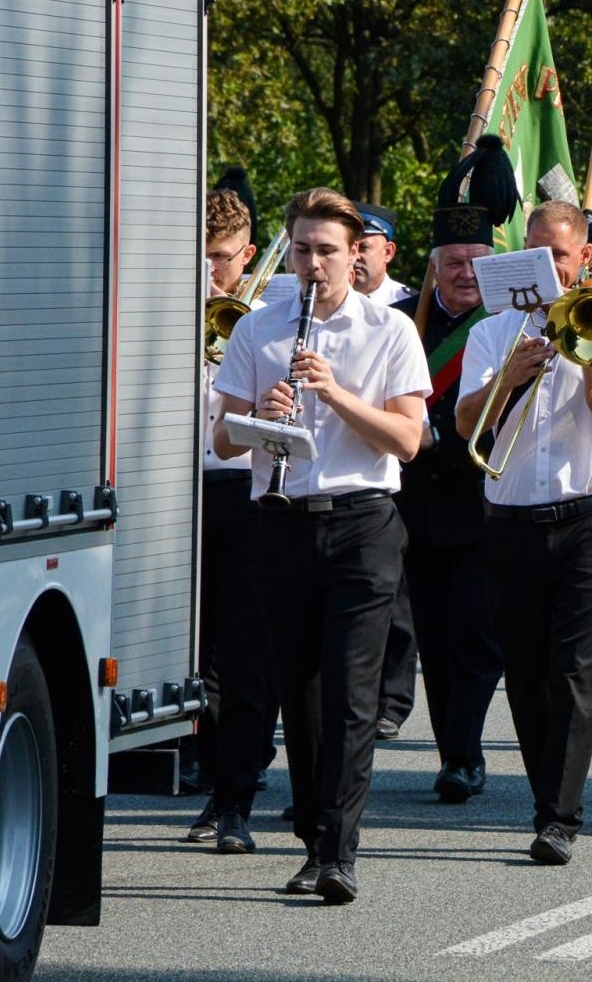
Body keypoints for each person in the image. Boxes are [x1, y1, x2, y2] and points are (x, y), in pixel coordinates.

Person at [214, 186, 430, 904]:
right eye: (302, 250)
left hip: (363, 522)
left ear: (356, 254)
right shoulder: (258, 330)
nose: (313, 264)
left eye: (328, 251)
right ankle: (313, 838)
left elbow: (407, 440)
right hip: (282, 522)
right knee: (300, 694)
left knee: (350, 692)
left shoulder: (389, 330)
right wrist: (261, 413)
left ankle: (339, 851)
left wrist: (335, 395)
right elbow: (223, 439)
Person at [455, 199, 592, 866]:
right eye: (535, 252)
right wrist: (509, 376)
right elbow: (464, 423)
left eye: (558, 255)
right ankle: (547, 799)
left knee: (577, 674)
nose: (546, 265)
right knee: (527, 675)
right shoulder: (492, 331)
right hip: (510, 524)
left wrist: (584, 349)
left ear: (583, 258)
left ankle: (558, 817)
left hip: (586, 519)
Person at [390, 138, 516, 803]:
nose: (467, 273)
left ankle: (464, 753)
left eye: (477, 261)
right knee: (434, 640)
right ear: (434, 267)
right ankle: (454, 750)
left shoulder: (512, 326)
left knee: (473, 635)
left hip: (482, 504)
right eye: (455, 262)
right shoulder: (397, 323)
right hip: (410, 506)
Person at [184, 189, 274, 846]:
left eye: (221, 257)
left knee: (242, 653)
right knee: (193, 653)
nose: (211, 269)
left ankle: (233, 795)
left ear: (248, 255)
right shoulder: (170, 312)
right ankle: (214, 771)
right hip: (179, 495)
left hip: (245, 492)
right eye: (202, 255)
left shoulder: (265, 322)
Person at [346, 201, 419, 740]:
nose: (356, 257)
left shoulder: (406, 309)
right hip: (356, 460)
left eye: (365, 246)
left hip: (403, 457)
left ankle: (392, 697)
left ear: (387, 250)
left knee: (398, 596)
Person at [352, 203, 418, 304]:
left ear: (388, 252)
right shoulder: (326, 301)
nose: (353, 256)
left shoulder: (411, 304)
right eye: (348, 249)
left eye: (363, 248)